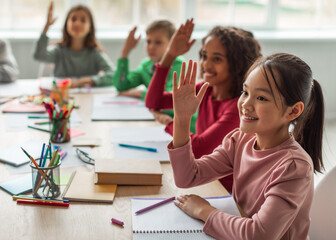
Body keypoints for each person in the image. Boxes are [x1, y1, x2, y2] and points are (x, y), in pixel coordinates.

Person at [168, 53, 324, 239]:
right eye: (245, 92)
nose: (245, 104)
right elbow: (187, 177)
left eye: (262, 98)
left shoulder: (293, 167)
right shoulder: (240, 140)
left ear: (293, 111)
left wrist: (204, 211)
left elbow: (259, 235)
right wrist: (182, 119)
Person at [145, 19, 261, 192]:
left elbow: (198, 149)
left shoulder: (239, 107)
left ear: (237, 64)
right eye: (204, 56)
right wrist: (169, 55)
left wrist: (170, 122)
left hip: (228, 194)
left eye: (217, 59)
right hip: (207, 182)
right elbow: (154, 102)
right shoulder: (206, 89)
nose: (206, 64)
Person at [113, 20, 198, 132]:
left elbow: (171, 103)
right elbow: (121, 85)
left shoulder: (179, 65)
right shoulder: (146, 65)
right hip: (160, 124)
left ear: (172, 44)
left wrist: (141, 93)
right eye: (148, 42)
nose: (151, 47)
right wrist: (125, 51)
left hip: (185, 128)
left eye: (158, 42)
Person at [33, 1, 114, 88]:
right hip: (61, 97)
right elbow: (39, 56)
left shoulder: (94, 53)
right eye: (73, 19)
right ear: (66, 24)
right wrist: (46, 27)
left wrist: (86, 81)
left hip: (87, 97)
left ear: (90, 27)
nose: (77, 24)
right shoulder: (59, 50)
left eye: (83, 20)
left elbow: (113, 74)